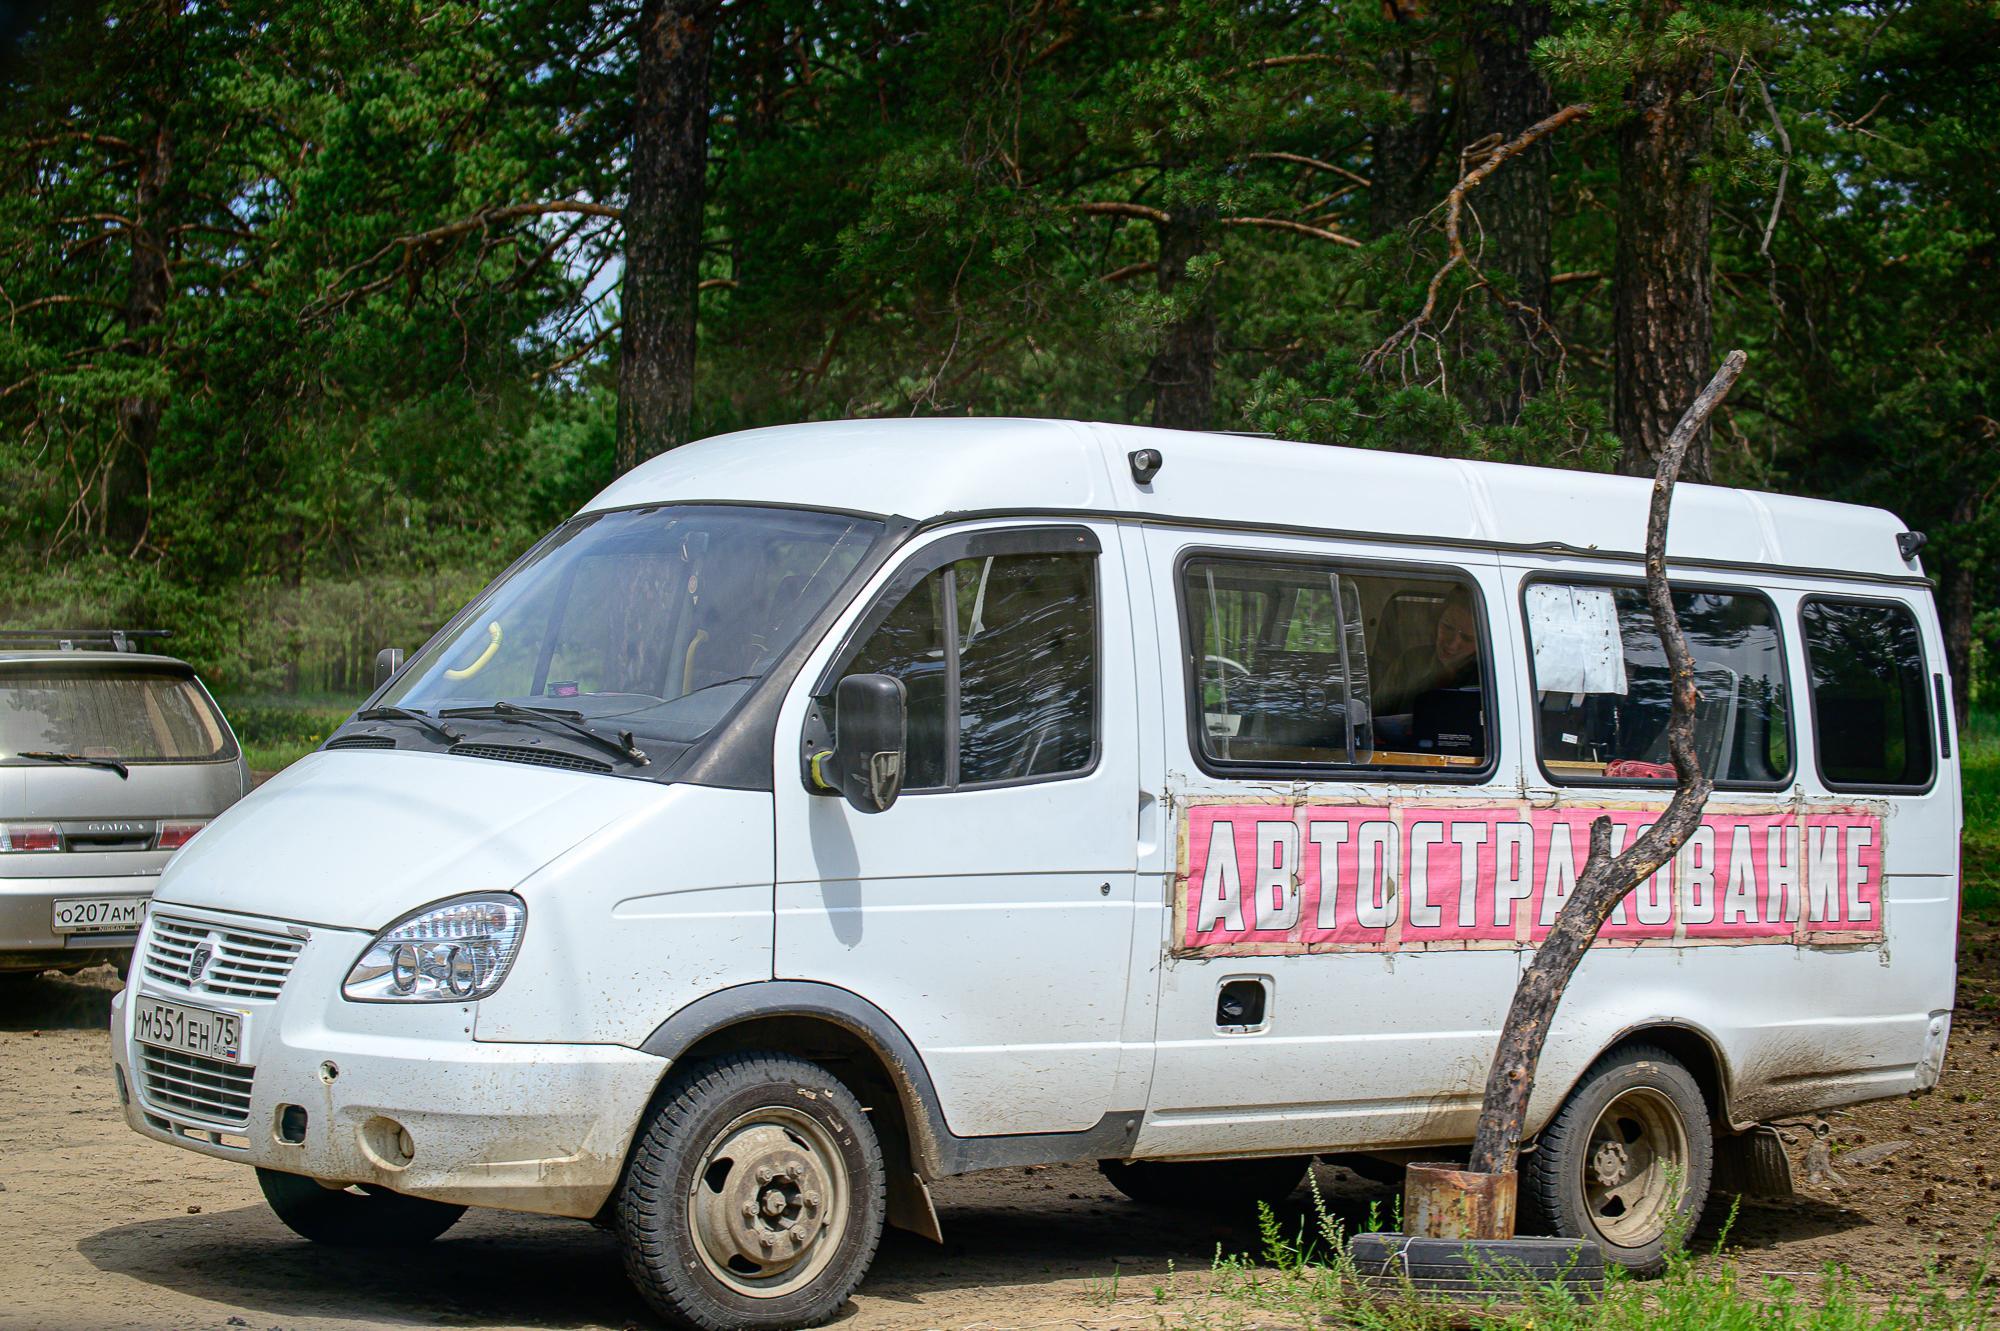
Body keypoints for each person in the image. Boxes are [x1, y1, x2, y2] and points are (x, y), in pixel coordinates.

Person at [1376, 586, 1482, 721]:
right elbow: (1375, 713)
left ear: (1480, 644)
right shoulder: (1409, 662)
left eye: (1467, 638)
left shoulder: (1489, 676)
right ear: (1437, 623)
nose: (1453, 644)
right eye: (1447, 627)